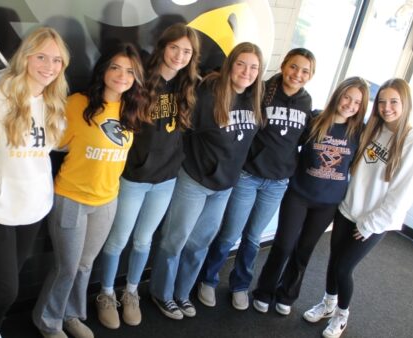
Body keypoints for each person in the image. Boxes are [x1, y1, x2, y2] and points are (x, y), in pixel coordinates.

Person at [32, 43, 147, 338]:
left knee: (84, 266)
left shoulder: (131, 108)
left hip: (107, 200)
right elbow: (57, 143)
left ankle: (71, 315)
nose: (122, 76)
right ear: (104, 70)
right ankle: (48, 321)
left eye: (130, 71)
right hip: (71, 198)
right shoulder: (78, 103)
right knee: (66, 267)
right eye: (115, 68)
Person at [94, 23, 200, 329]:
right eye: (174, 48)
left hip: (166, 180)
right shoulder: (139, 80)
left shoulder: (188, 85)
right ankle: (106, 293)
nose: (179, 56)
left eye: (186, 51)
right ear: (163, 47)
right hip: (133, 177)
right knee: (117, 241)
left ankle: (131, 292)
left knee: (143, 242)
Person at [149, 42, 264, 320]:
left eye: (254, 67)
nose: (246, 72)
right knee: (174, 240)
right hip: (194, 180)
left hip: (224, 187)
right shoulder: (209, 94)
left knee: (199, 243)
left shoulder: (253, 99)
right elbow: (184, 132)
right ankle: (161, 294)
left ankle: (182, 293)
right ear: (230, 65)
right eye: (241, 64)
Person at [198, 48, 316, 310]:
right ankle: (208, 279)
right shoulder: (260, 91)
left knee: (253, 237)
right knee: (229, 234)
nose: (297, 74)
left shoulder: (306, 102)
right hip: (247, 176)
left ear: (311, 76)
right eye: (294, 67)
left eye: (305, 71)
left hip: (277, 183)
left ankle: (240, 285)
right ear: (283, 65)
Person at [304, 78, 413, 338]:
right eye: (382, 102)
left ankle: (341, 315)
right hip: (348, 209)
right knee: (334, 261)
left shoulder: (411, 142)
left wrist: (370, 224)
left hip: (372, 221)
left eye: (393, 102)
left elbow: (400, 195)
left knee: (345, 268)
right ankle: (328, 303)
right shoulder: (373, 129)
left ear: (405, 103)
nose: (387, 107)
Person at [0, 27, 70, 338]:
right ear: (25, 56)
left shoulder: (55, 101)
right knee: (6, 290)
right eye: (41, 57)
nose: (49, 66)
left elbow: (54, 148)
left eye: (57, 60)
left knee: (7, 284)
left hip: (35, 206)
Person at [250, 77, 368, 316]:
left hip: (328, 203)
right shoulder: (314, 120)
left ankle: (287, 295)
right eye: (347, 97)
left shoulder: (359, 132)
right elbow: (287, 144)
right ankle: (264, 291)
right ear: (338, 95)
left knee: (304, 250)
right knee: (283, 245)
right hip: (299, 194)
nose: (350, 105)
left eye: (357, 102)